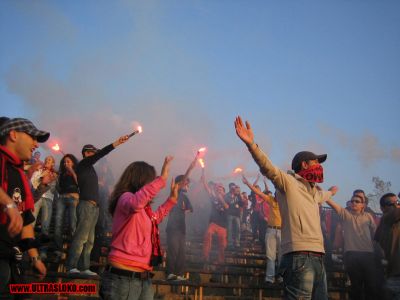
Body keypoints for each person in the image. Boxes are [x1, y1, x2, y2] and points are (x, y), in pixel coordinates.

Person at [234, 116, 337, 300]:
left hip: (318, 257)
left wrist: (332, 192)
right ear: (304, 165)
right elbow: (268, 168)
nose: (319, 167)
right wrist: (252, 145)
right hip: (299, 257)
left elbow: (324, 196)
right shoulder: (288, 182)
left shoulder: (313, 192)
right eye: (316, 162)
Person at [100, 156, 178, 300]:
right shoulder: (125, 198)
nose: (153, 183)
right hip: (122, 279)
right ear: (141, 179)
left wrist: (171, 200)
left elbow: (155, 219)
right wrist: (161, 179)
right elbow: (136, 203)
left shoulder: (145, 209)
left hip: (144, 279)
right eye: (151, 179)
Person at [66, 135, 129, 276]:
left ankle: (84, 267)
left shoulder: (90, 169)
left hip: (94, 207)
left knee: (89, 241)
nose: (95, 155)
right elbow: (102, 153)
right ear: (86, 154)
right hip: (86, 205)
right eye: (92, 153)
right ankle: (71, 266)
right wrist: (116, 143)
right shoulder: (83, 165)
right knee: (81, 237)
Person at [0, 117, 48, 297]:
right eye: (32, 137)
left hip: (12, 260)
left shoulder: (20, 174)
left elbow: (26, 220)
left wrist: (35, 258)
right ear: (12, 134)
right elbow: (13, 207)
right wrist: (8, 204)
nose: (36, 144)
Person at [326, 194, 384, 300]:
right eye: (352, 201)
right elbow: (331, 203)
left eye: (357, 201)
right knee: (355, 286)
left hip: (368, 255)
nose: (353, 203)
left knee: (370, 286)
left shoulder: (368, 216)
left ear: (363, 205)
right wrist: (324, 192)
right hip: (351, 254)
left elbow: (375, 233)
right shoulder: (346, 215)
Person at [243, 175, 282, 284]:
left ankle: (281, 277)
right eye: (277, 193)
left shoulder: (286, 203)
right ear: (275, 195)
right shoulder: (271, 200)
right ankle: (270, 278)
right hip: (270, 230)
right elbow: (258, 192)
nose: (278, 195)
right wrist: (247, 184)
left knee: (281, 256)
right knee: (270, 256)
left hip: (282, 231)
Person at [165, 153, 198, 281]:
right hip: (173, 228)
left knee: (181, 253)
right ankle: (170, 273)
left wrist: (186, 210)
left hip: (181, 229)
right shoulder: (175, 191)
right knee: (173, 251)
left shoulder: (185, 197)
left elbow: (192, 209)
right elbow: (183, 179)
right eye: (186, 183)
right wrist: (191, 167)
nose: (188, 185)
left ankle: (178, 274)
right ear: (180, 183)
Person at [54, 154, 80, 259]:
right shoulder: (62, 174)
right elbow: (59, 188)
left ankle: (73, 250)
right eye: (64, 162)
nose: (66, 163)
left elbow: (79, 183)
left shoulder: (77, 172)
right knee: (58, 223)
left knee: (73, 224)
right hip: (62, 198)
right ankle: (58, 249)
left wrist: (72, 171)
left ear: (73, 162)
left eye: (68, 161)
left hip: (73, 198)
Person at [374, 193, 400, 300]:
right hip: (396, 277)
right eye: (391, 204)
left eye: (397, 202)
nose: (396, 205)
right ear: (382, 208)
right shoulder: (387, 218)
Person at [201, 172, 228, 265]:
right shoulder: (213, 197)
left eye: (221, 189)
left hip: (223, 225)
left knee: (222, 244)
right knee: (208, 234)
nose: (219, 190)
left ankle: (220, 260)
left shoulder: (227, 198)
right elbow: (205, 185)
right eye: (218, 189)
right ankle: (205, 256)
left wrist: (221, 198)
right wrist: (203, 172)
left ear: (224, 191)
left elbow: (226, 207)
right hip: (213, 223)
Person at [30, 155, 58, 240]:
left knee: (45, 225)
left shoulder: (55, 175)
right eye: (46, 159)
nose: (47, 161)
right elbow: (33, 183)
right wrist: (42, 176)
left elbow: (54, 189)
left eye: (49, 160)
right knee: (31, 222)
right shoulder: (38, 171)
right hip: (37, 197)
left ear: (53, 163)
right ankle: (27, 247)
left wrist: (52, 179)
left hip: (48, 198)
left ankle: (43, 251)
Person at [224, 183, 244, 248]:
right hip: (229, 214)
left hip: (237, 214)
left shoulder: (238, 195)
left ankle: (237, 242)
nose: (233, 189)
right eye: (232, 187)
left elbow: (242, 203)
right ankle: (230, 243)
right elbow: (227, 203)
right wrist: (233, 199)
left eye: (234, 187)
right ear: (229, 188)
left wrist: (239, 193)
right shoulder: (227, 195)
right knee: (229, 229)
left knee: (238, 229)